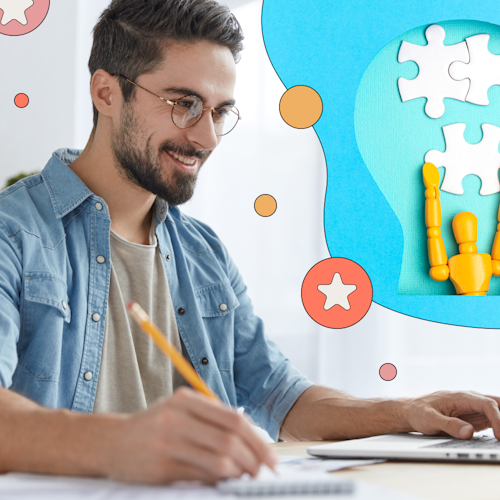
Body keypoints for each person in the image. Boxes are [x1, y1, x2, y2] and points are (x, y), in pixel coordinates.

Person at [0, 0, 499, 486]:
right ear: (106, 93)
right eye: (184, 104)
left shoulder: (202, 252)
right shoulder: (13, 234)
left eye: (220, 112)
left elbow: (281, 396)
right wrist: (120, 441)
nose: (207, 137)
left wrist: (406, 411)